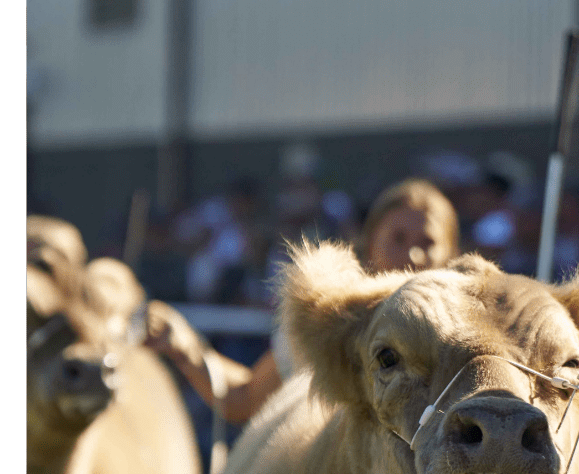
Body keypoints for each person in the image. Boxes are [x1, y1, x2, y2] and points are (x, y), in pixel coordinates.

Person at [146, 178, 459, 424]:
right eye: (398, 238)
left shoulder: (468, 341)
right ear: (369, 243)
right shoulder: (331, 325)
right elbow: (246, 399)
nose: (413, 254)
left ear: (451, 254)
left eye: (428, 242)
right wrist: (186, 347)